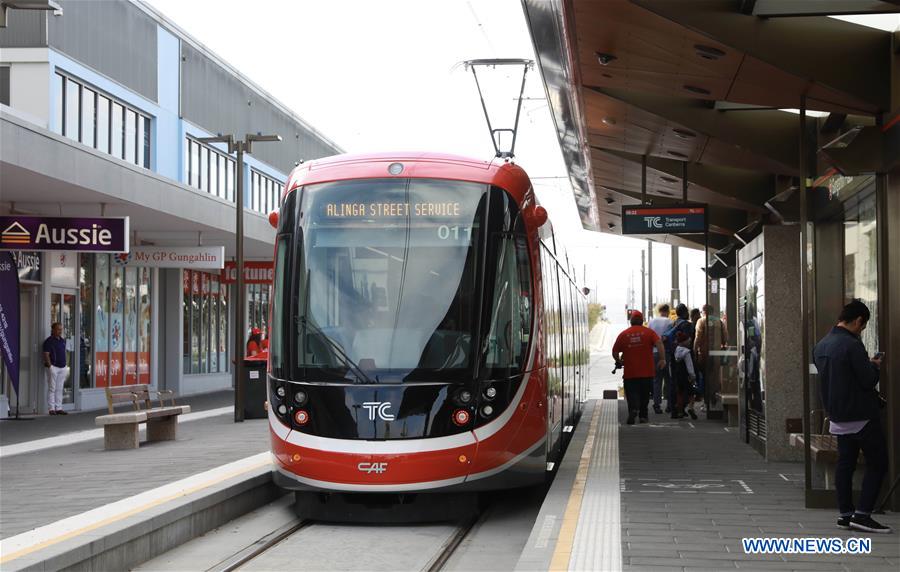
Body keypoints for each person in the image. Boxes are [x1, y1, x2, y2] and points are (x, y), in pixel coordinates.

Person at [813, 300, 890, 533]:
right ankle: (863, 514)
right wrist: (875, 366)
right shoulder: (851, 345)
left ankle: (846, 514)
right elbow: (867, 380)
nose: (862, 330)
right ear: (858, 321)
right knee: (878, 462)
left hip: (837, 416)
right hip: (861, 415)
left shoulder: (822, 345)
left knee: (845, 464)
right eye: (863, 326)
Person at [613, 310, 666, 425]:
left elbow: (615, 351)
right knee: (645, 395)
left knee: (632, 393)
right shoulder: (649, 332)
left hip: (630, 373)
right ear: (642, 321)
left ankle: (633, 409)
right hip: (647, 372)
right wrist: (662, 359)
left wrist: (619, 361)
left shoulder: (624, 334)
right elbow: (659, 343)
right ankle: (643, 416)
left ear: (631, 321)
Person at [662, 304, 695, 419]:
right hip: (685, 357)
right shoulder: (688, 325)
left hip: (673, 355)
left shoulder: (673, 323)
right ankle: (681, 407)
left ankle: (673, 408)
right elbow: (691, 341)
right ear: (686, 312)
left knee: (674, 383)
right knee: (686, 384)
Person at [694, 304, 728, 407]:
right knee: (715, 377)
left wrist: (694, 350)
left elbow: (698, 337)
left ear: (703, 311)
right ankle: (713, 398)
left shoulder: (701, 321)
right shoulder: (720, 322)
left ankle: (706, 402)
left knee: (705, 376)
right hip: (716, 354)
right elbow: (725, 338)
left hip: (704, 354)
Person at [647, 304, 672, 414]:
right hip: (666, 353)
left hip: (654, 353)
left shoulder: (651, 322)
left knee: (657, 380)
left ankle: (656, 404)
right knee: (668, 380)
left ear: (659, 311)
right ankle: (670, 405)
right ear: (668, 311)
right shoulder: (670, 322)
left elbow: (648, 337)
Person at [42, 322, 69, 415]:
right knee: (52, 388)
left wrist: (66, 365)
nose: (60, 331)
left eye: (61, 329)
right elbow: (46, 354)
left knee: (59, 388)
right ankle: (51, 409)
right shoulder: (48, 341)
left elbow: (64, 353)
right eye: (58, 329)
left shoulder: (62, 340)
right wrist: (50, 367)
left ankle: (59, 408)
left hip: (62, 367)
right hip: (53, 367)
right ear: (53, 330)